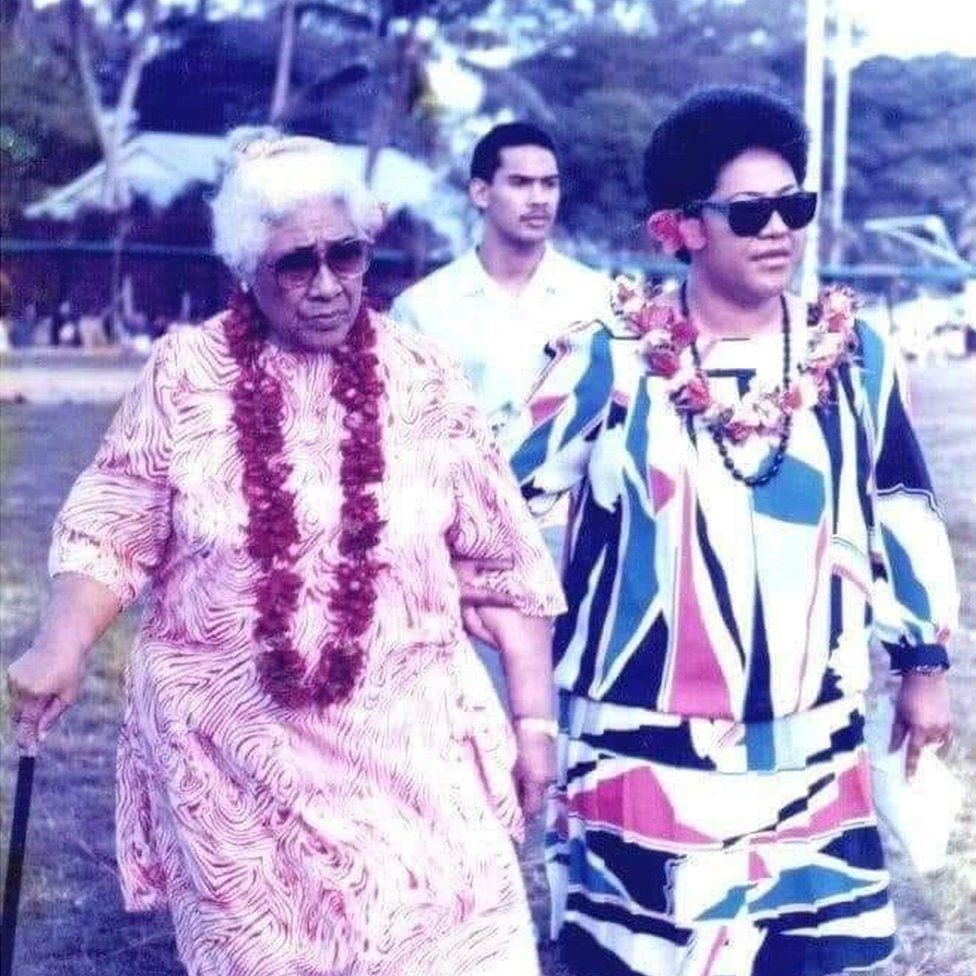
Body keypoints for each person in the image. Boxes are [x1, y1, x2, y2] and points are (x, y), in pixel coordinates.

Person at [6, 132, 566, 976]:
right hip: (235, 760)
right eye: (295, 264)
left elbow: (505, 562)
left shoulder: (424, 378)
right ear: (245, 273)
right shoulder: (184, 376)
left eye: (346, 255)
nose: (328, 284)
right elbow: (112, 522)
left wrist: (533, 723)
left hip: (412, 743)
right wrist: (62, 644)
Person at [495, 87, 959, 976]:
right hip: (637, 743)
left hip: (811, 737)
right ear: (681, 227)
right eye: (751, 212)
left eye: (795, 207)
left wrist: (925, 670)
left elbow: (902, 507)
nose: (779, 228)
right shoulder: (608, 358)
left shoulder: (854, 355)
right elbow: (492, 512)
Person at [390, 121, 612, 430]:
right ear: (481, 192)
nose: (539, 198)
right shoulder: (422, 309)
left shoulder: (598, 299)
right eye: (520, 183)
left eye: (549, 184)